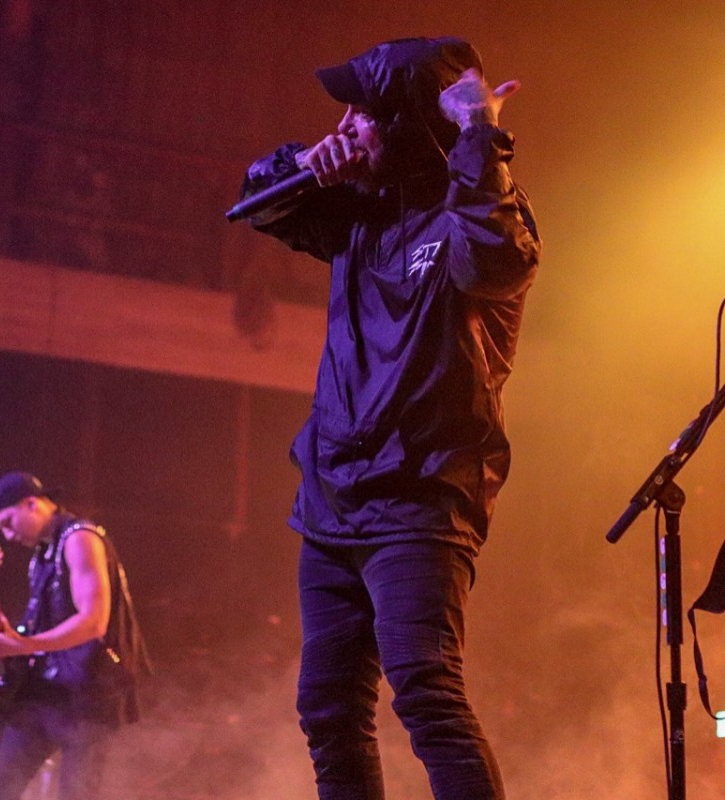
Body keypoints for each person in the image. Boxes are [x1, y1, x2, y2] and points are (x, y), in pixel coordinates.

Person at [236, 37, 540, 800]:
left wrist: (478, 133)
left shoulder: (477, 212)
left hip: (420, 500)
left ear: (409, 125)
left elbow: (494, 259)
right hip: (333, 497)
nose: (345, 124)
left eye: (364, 114)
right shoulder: (359, 214)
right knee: (328, 710)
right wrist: (307, 163)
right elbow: (256, 203)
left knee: (427, 695)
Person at [0, 471, 148, 800]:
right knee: (2, 784)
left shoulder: (80, 538)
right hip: (49, 692)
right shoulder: (42, 555)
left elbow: (93, 622)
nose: (8, 535)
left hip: (90, 695)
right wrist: (14, 638)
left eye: (9, 522)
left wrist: (24, 645)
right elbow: (49, 626)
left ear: (32, 504)